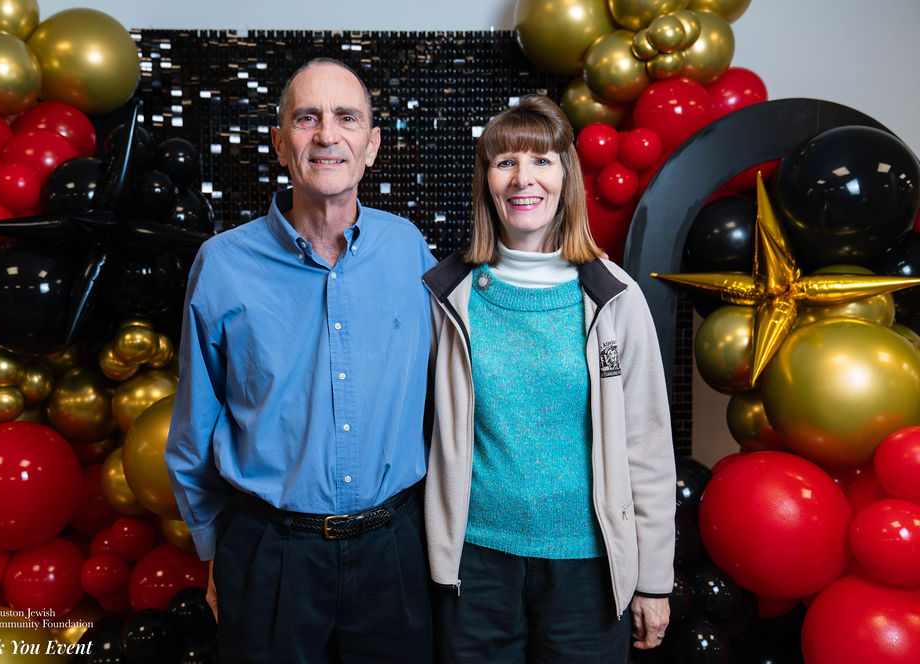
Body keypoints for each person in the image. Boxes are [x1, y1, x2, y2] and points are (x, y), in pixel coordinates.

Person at [165, 57, 435, 663]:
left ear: (372, 145)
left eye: (347, 118)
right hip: (270, 554)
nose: (327, 135)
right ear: (280, 142)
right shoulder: (222, 264)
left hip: (395, 550)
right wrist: (215, 553)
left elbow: (453, 382)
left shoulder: (409, 249)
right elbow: (193, 426)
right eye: (307, 118)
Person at [422, 94, 676, 663]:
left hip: (589, 567)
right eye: (505, 162)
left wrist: (654, 580)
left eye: (541, 160)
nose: (523, 178)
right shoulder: (445, 296)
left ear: (567, 177)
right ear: (486, 180)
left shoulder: (615, 298)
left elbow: (648, 447)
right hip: (474, 564)